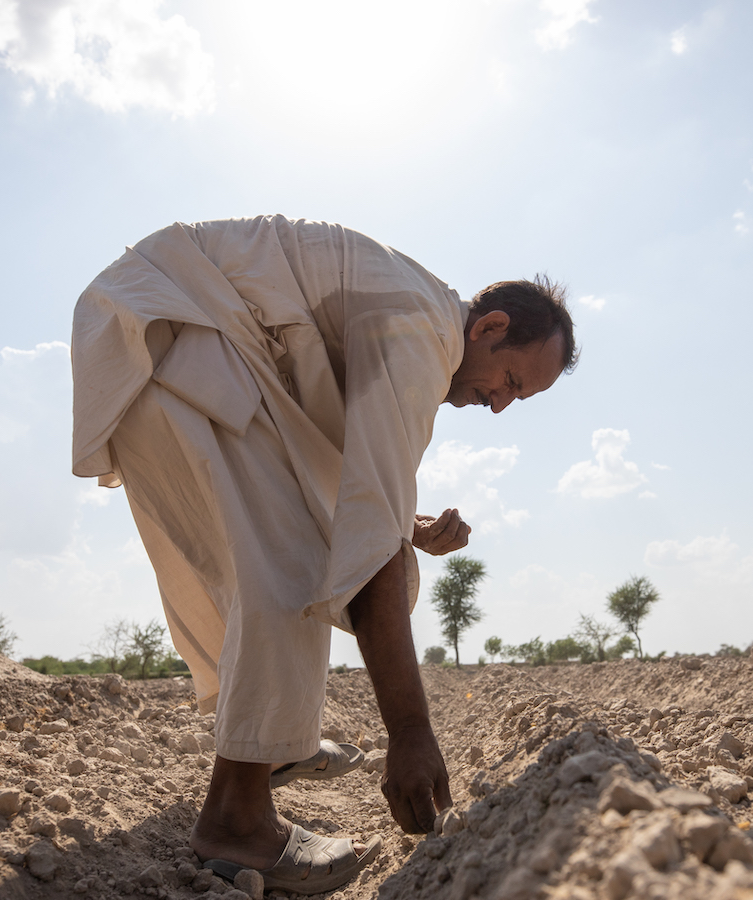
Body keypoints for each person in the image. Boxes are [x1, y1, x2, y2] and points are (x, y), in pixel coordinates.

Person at [70, 215, 577, 893]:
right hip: (176, 329)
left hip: (177, 330)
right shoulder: (423, 332)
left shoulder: (417, 317)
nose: (500, 406)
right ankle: (237, 821)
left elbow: (355, 489)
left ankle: (269, 748)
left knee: (301, 557)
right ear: (487, 329)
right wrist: (410, 731)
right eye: (512, 380)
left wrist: (403, 528)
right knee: (294, 574)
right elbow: (369, 547)